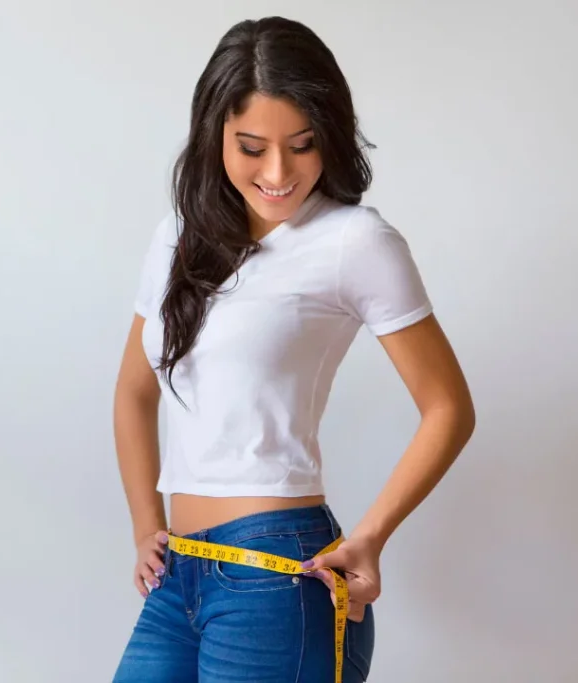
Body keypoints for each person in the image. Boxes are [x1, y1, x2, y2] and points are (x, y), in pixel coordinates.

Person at [111, 15, 475, 683]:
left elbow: (448, 406)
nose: (279, 172)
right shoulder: (178, 235)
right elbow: (135, 389)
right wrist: (145, 525)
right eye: (252, 147)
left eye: (302, 145)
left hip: (279, 572)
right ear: (214, 133)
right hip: (178, 572)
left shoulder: (354, 241)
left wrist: (370, 536)